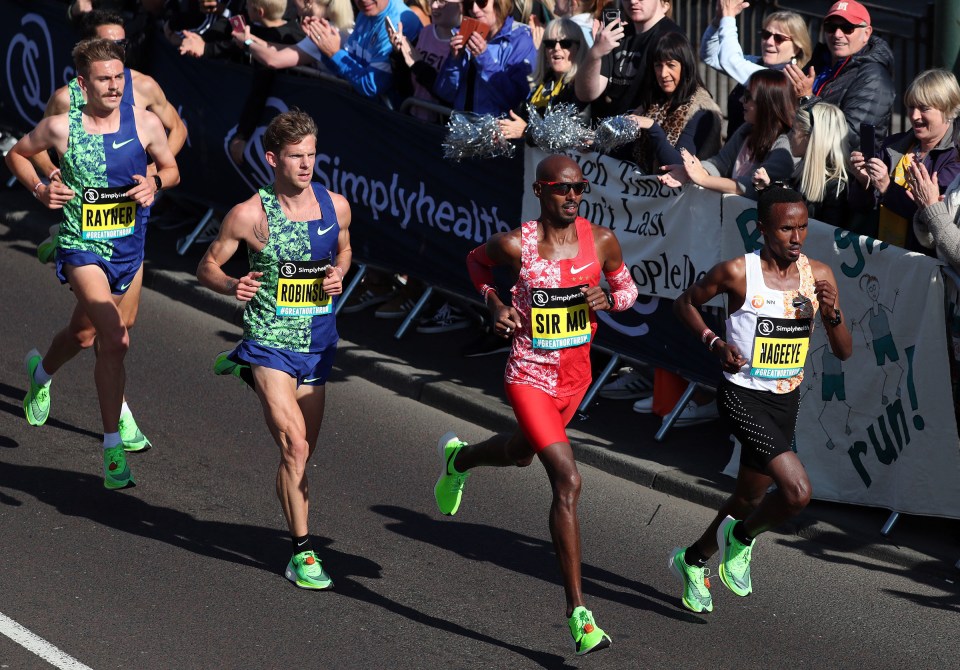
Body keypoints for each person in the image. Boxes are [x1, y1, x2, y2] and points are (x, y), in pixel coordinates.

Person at [434, 155, 638, 654]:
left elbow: (628, 290)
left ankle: (459, 459)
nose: (573, 198)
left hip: (575, 377)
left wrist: (608, 301)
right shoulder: (515, 244)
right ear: (541, 191)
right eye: (562, 190)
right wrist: (494, 303)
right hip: (528, 374)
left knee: (522, 453)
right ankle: (579, 614)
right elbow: (474, 263)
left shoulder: (602, 240)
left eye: (580, 189)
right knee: (567, 480)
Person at [4, 38, 180, 488]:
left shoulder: (144, 123)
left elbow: (172, 168)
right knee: (115, 339)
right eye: (104, 79)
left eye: (120, 77)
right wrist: (42, 190)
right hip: (82, 244)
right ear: (82, 84)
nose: (115, 86)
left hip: (129, 246)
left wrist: (155, 182)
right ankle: (112, 448)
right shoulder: (61, 127)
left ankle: (40, 375)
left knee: (83, 335)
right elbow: (16, 153)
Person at [668, 186, 852, 613]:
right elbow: (685, 303)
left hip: (785, 400)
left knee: (749, 499)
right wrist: (714, 343)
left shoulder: (819, 276)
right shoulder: (737, 272)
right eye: (786, 228)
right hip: (741, 396)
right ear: (763, 228)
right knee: (796, 493)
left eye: (803, 227)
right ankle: (742, 538)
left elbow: (844, 351)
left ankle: (693, 560)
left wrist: (833, 313)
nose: (797, 237)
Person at [196, 109, 352, 589]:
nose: (306, 165)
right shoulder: (249, 215)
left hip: (317, 345)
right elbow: (206, 267)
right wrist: (231, 285)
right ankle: (303, 553)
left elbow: (344, 249)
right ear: (271, 158)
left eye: (311, 155)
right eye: (295, 156)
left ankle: (243, 370)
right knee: (295, 445)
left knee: (301, 457)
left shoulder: (337, 206)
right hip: (269, 342)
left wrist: (340, 272)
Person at [34, 9, 188, 263]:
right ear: (88, 47)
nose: (118, 50)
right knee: (98, 298)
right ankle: (66, 239)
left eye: (122, 44)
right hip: (85, 212)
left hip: (131, 209)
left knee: (124, 303)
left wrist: (153, 171)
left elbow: (178, 128)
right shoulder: (65, 99)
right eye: (110, 44)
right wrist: (52, 174)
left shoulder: (143, 85)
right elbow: (34, 146)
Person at [850, 68, 960, 249]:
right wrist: (863, 183)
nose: (914, 116)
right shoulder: (894, 145)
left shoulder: (955, 158)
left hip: (920, 265)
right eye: (911, 107)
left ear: (948, 110)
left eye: (924, 108)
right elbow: (859, 207)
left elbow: (933, 218)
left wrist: (887, 187)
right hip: (881, 256)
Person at [241, 0, 421, 107]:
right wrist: (326, 49)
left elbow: (372, 86)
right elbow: (345, 70)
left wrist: (334, 52)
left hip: (392, 123)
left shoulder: (399, 20)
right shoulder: (367, 11)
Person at [659, 68, 796, 200]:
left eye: (748, 97)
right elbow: (720, 163)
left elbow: (754, 186)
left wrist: (703, 179)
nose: (741, 100)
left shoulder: (785, 144)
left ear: (767, 103)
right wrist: (689, 171)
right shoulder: (746, 130)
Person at [784, 0, 895, 151]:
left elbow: (851, 137)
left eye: (847, 28)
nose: (837, 34)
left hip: (841, 170)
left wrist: (807, 99)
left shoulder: (874, 77)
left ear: (866, 33)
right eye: (831, 27)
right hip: (804, 157)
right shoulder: (821, 62)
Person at [700, 1, 811, 136]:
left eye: (779, 38)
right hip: (734, 150)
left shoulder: (785, 78)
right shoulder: (757, 63)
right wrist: (718, 20)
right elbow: (711, 56)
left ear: (797, 48)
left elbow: (730, 60)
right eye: (766, 34)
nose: (769, 42)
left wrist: (728, 18)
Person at [626, 31, 722, 175]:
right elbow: (629, 152)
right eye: (658, 65)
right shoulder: (654, 103)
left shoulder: (702, 111)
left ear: (685, 66)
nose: (663, 73)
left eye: (671, 65)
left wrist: (653, 128)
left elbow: (679, 166)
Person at [575, 0, 680, 123]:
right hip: (610, 133)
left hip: (648, 133)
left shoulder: (671, 38)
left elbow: (675, 96)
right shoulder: (617, 35)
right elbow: (586, 94)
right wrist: (595, 54)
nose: (633, 1)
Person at [754, 102, 851, 228]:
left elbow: (826, 240)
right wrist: (765, 188)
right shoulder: (800, 173)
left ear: (810, 138)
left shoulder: (837, 188)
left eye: (793, 130)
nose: (788, 137)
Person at [433, 0, 537, 115]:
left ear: (499, 3)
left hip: (497, 130)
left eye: (481, 2)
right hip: (461, 127)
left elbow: (516, 101)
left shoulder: (521, 39)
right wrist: (454, 61)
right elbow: (445, 93)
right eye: (469, 3)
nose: (474, 9)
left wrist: (483, 58)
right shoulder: (465, 31)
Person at [498, 17, 589, 140]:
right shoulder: (543, 85)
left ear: (578, 48)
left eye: (565, 43)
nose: (556, 48)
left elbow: (571, 136)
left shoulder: (582, 87)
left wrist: (527, 131)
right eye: (550, 44)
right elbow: (521, 121)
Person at [389, 0, 463, 123]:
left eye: (442, 1)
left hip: (442, 130)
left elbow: (450, 95)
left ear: (461, 4)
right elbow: (404, 88)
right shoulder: (425, 32)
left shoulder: (465, 43)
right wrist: (399, 54)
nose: (433, 6)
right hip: (413, 120)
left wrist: (418, 66)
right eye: (432, 0)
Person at [911, 160, 960, 272]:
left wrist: (933, 210)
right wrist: (926, 211)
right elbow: (932, 242)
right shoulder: (957, 181)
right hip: (943, 283)